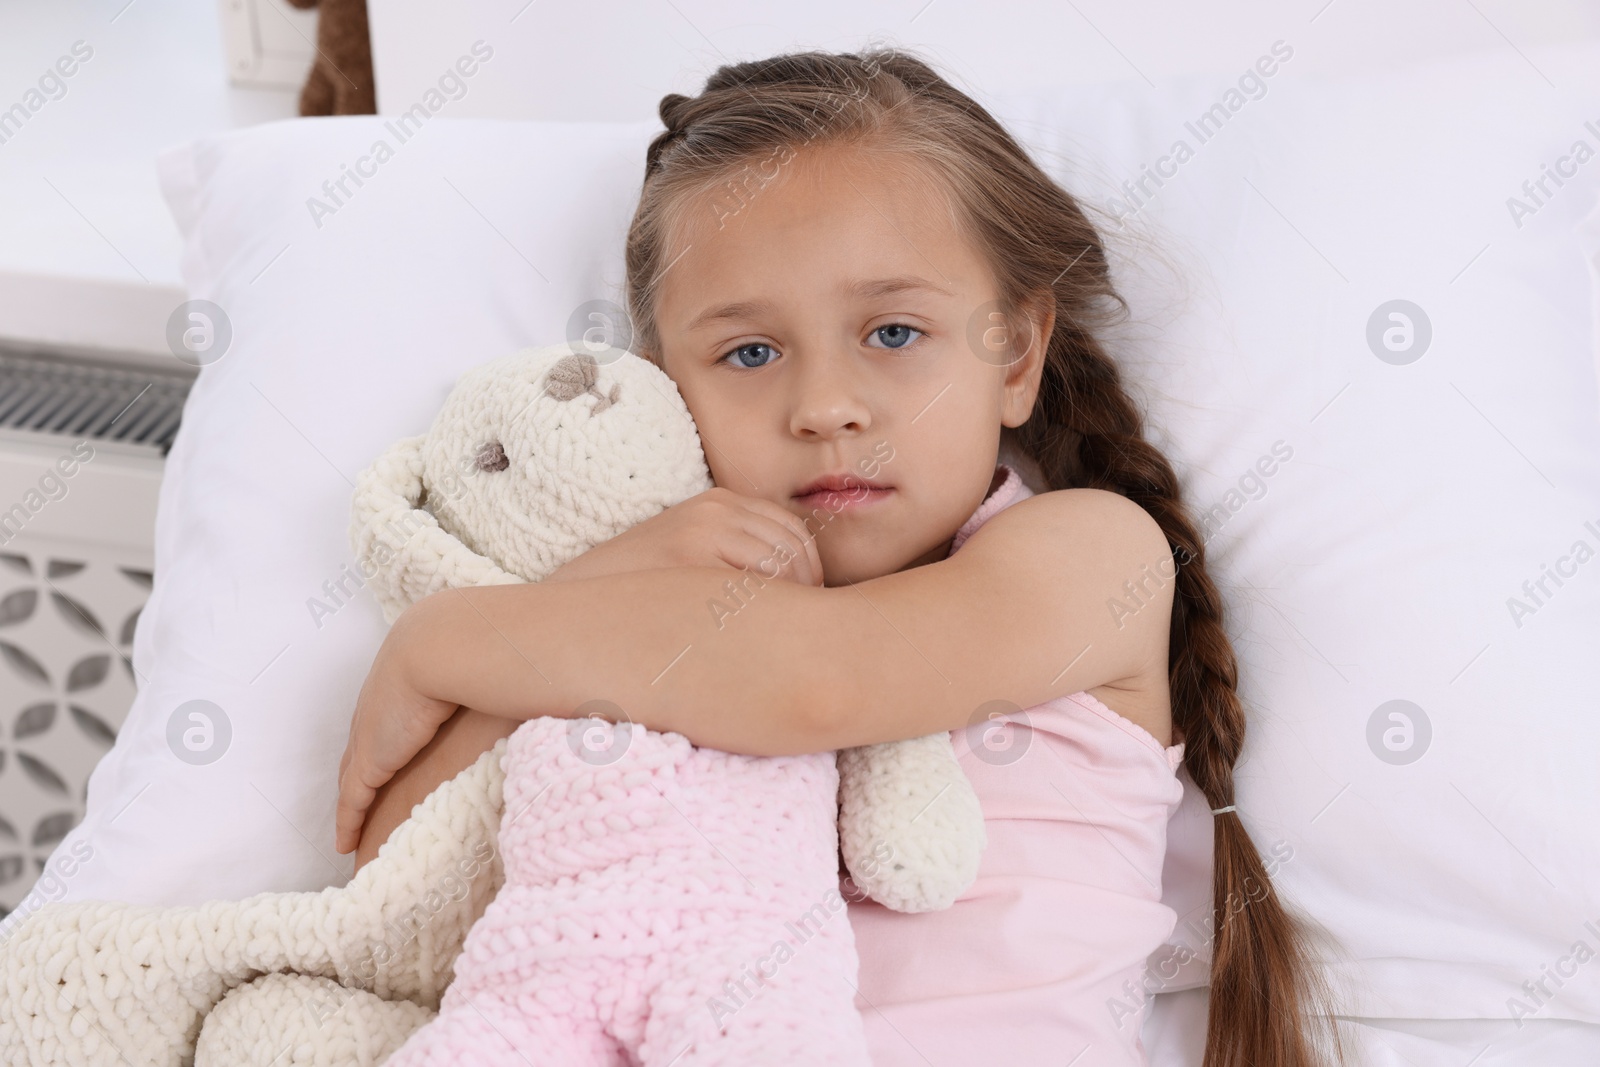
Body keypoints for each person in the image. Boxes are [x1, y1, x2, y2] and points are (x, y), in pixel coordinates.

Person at [334, 47, 1346, 1067]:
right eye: (750, 353)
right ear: (659, 389)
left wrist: (442, 636)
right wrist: (609, 574)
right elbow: (401, 876)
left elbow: (819, 679)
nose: (824, 407)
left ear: (1018, 354)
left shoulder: (1086, 554)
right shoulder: (640, 613)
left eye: (893, 332)